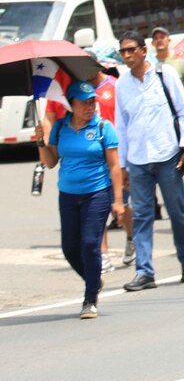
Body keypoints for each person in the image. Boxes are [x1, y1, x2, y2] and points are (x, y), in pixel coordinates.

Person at [115, 31, 184, 292]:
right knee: (141, 216)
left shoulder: (165, 74)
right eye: (123, 51)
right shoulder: (122, 85)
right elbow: (122, 126)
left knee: (176, 212)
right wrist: (123, 166)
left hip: (167, 155)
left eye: (131, 50)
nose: (127, 56)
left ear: (142, 50)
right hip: (138, 159)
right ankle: (144, 271)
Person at [36, 81, 123, 319]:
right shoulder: (60, 127)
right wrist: (40, 142)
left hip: (97, 192)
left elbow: (115, 166)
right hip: (68, 194)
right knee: (69, 248)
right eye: (83, 103)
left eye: (92, 102)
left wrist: (118, 201)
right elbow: (51, 162)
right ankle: (93, 279)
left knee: (89, 244)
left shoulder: (104, 127)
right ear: (71, 105)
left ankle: (90, 299)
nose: (90, 107)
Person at [43, 55, 131, 273]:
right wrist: (43, 140)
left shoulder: (113, 86)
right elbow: (51, 118)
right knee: (96, 218)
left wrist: (127, 159)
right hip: (91, 168)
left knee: (123, 206)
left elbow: (127, 119)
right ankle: (102, 256)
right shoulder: (70, 91)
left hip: (115, 152)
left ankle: (131, 237)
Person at [150, 27, 184, 109]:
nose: (159, 40)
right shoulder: (152, 63)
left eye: (162, 37)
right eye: (156, 38)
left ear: (169, 40)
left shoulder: (180, 59)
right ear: (152, 43)